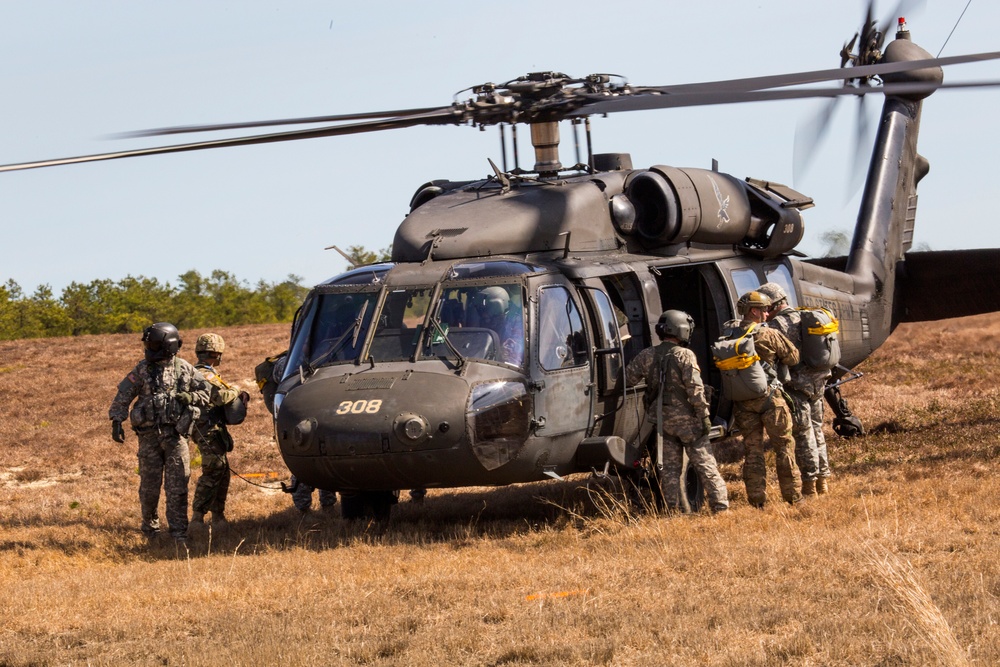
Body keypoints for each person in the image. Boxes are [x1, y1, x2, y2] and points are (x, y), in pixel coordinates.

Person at [108, 322, 210, 541]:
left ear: (170, 345)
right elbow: (123, 395)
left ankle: (178, 533)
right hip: (149, 439)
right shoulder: (142, 369)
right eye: (148, 344)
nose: (149, 348)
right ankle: (150, 529)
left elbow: (205, 393)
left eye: (154, 344)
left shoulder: (185, 368)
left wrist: (190, 398)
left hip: (176, 437)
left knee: (178, 488)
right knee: (149, 488)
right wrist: (117, 419)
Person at [624, 310, 729, 513]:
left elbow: (628, 379)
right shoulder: (685, 355)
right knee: (706, 465)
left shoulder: (647, 355)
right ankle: (720, 507)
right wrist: (704, 416)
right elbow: (695, 389)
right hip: (689, 424)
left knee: (669, 471)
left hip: (664, 424)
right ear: (681, 330)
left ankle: (673, 510)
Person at [728, 291, 803, 508]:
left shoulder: (729, 334)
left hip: (743, 403)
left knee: (752, 451)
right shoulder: (767, 334)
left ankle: (757, 501)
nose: (767, 313)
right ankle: (793, 497)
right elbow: (793, 357)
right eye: (764, 309)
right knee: (784, 447)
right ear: (754, 310)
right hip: (770, 398)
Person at [758, 282, 833, 496]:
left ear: (771, 305)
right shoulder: (804, 316)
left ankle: (809, 483)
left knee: (803, 434)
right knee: (817, 430)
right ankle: (823, 480)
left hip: (796, 386)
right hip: (818, 383)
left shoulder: (776, 327)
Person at [190, 333, 250, 528]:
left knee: (222, 472)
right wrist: (235, 389)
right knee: (212, 471)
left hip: (211, 428)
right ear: (217, 354)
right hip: (206, 429)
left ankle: (218, 516)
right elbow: (220, 397)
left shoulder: (200, 372)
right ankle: (197, 518)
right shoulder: (204, 374)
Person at [473, 286, 524, 366]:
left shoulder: (516, 324)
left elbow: (512, 359)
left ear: (496, 307)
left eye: (485, 311)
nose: (483, 315)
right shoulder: (486, 322)